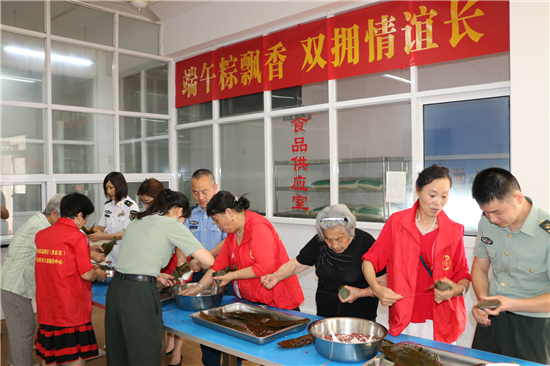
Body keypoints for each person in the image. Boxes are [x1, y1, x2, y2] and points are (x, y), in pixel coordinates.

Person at [104, 188, 215, 366]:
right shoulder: (172, 224)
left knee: (119, 354)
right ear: (179, 211)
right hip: (139, 296)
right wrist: (195, 263)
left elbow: (135, 260)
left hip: (116, 290)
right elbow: (208, 261)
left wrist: (155, 274)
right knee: (144, 354)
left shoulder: (137, 221)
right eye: (184, 217)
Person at [362, 164, 471, 344]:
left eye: (445, 196)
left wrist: (456, 290)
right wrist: (377, 288)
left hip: (442, 320)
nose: (438, 202)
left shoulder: (454, 231)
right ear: (417, 191)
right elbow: (369, 262)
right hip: (406, 317)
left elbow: (463, 276)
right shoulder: (398, 223)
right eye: (432, 195)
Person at [470, 168, 550, 364]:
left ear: (518, 198)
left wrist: (509, 303)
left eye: (497, 212)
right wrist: (483, 301)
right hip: (492, 319)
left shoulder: (546, 232)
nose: (492, 219)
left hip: (534, 325)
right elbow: (480, 267)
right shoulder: (487, 222)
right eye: (485, 212)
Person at [181, 191, 304, 312]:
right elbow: (218, 265)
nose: (217, 225)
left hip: (277, 302)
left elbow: (264, 267)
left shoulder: (258, 227)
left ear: (229, 212)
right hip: (253, 301)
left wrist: (232, 276)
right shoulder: (233, 232)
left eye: (216, 220)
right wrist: (199, 287)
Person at [261, 204, 386, 320]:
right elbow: (296, 265)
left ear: (351, 230)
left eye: (340, 239)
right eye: (328, 239)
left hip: (359, 316)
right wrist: (276, 276)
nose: (334, 245)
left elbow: (383, 284)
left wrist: (360, 293)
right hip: (325, 312)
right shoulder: (319, 242)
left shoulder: (367, 243)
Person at [34, 193, 108, 366]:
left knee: (49, 355)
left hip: (47, 308)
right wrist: (99, 274)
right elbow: (87, 274)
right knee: (75, 356)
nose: (85, 223)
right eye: (86, 217)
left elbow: (62, 265)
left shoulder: (42, 235)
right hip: (71, 310)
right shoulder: (77, 236)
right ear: (80, 215)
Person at [1, 194, 64, 366]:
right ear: (53, 214)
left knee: (19, 331)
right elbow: (58, 251)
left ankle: (15, 362)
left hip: (12, 284)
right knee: (23, 331)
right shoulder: (41, 227)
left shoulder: (39, 221)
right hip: (15, 286)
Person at [137, 178, 186, 366]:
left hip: (172, 265)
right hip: (157, 267)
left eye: (149, 202)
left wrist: (182, 265)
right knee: (163, 308)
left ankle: (177, 352)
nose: (146, 206)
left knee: (175, 310)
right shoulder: (149, 219)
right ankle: (169, 344)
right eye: (144, 203)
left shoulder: (173, 213)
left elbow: (180, 242)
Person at [183, 169, 228, 366]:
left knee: (227, 326)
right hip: (198, 276)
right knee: (204, 326)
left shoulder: (226, 212)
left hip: (222, 276)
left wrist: (205, 258)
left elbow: (228, 244)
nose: (200, 197)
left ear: (215, 188)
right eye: (195, 192)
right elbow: (182, 243)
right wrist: (190, 261)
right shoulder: (190, 215)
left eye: (205, 191)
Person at [87, 171, 139, 266]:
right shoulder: (108, 205)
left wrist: (102, 236)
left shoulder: (131, 206)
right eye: (106, 188)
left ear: (120, 186)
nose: (108, 191)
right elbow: (100, 227)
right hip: (112, 251)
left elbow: (126, 233)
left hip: (127, 251)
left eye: (111, 188)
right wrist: (89, 232)